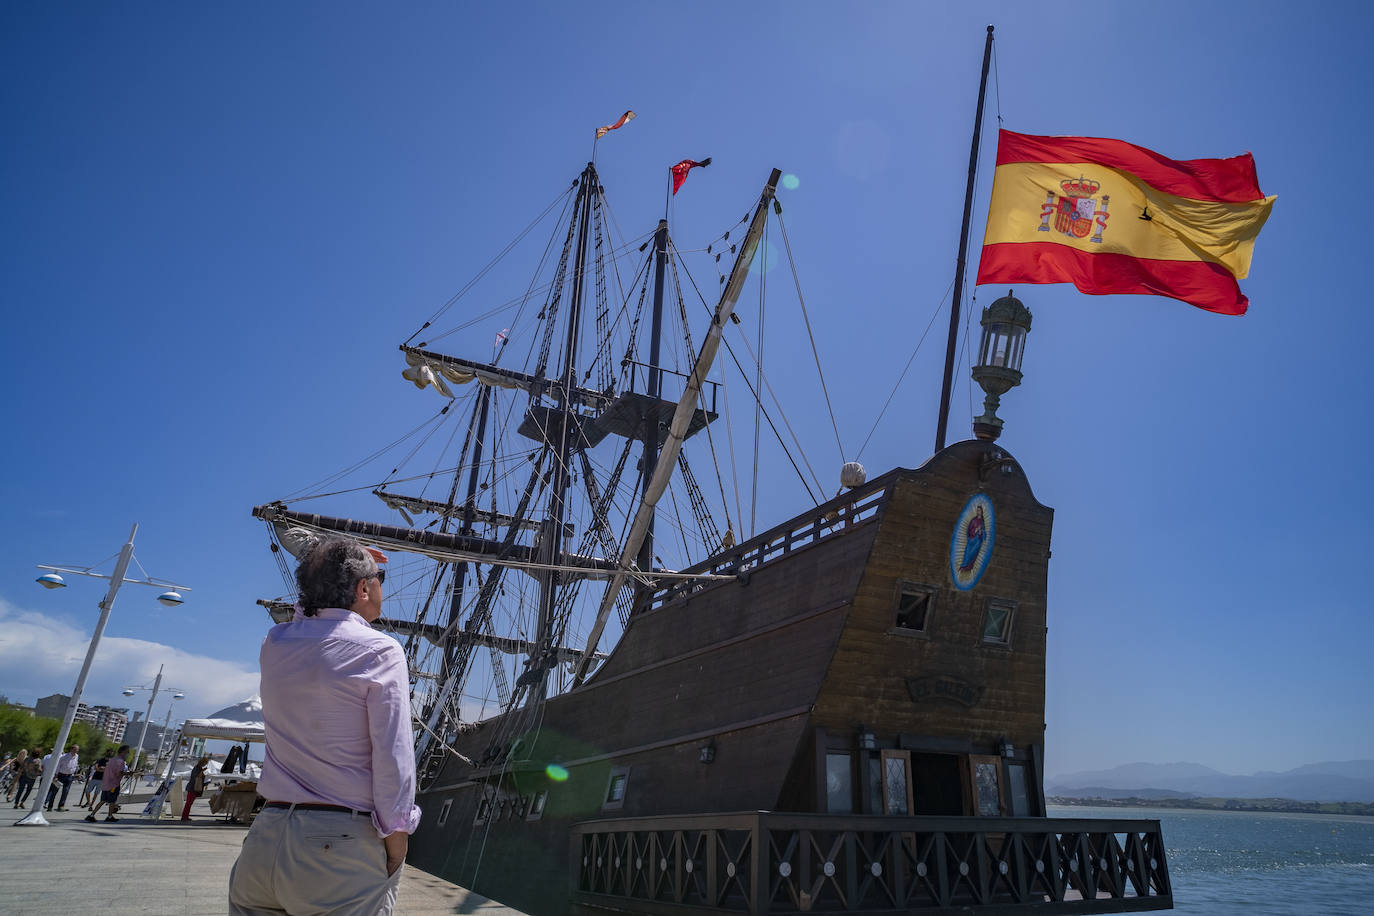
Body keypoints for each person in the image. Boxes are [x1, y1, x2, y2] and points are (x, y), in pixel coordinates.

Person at [228, 536, 419, 916]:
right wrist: (397, 836)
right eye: (379, 578)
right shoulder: (380, 650)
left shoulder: (276, 641)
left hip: (266, 838)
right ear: (363, 588)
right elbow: (392, 757)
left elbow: (308, 610)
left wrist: (329, 561)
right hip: (338, 847)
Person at [85, 745, 129, 822]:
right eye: (127, 752)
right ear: (123, 752)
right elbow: (119, 773)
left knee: (103, 800)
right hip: (113, 784)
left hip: (106, 783)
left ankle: (92, 815)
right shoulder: (121, 761)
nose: (127, 754)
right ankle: (109, 816)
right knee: (112, 801)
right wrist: (128, 774)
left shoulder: (112, 760)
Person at [44, 743, 80, 811]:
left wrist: (75, 773)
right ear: (71, 749)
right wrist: (56, 775)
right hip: (61, 775)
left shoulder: (77, 756)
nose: (76, 751)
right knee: (54, 791)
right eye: (75, 749)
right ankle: (50, 806)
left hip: (69, 776)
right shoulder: (64, 756)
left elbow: (75, 765)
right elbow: (58, 766)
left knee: (65, 792)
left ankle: (61, 806)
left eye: (77, 750)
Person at [181, 754, 211, 820]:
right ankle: (184, 817)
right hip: (193, 788)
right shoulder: (198, 768)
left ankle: (185, 816)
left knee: (189, 803)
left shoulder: (197, 768)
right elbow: (197, 777)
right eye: (205, 763)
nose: (205, 764)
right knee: (188, 803)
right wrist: (202, 772)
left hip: (192, 788)